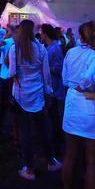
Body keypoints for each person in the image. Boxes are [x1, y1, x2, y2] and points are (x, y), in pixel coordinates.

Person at [61, 21, 95, 189]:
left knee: (70, 156)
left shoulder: (71, 52)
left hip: (72, 103)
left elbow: (64, 79)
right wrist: (84, 86)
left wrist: (76, 86)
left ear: (81, 36)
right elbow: (88, 79)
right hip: (88, 104)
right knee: (92, 162)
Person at [8, 20, 60, 181]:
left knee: (25, 132)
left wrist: (17, 77)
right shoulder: (41, 49)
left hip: (21, 94)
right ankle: (51, 161)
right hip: (38, 95)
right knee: (43, 128)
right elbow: (46, 75)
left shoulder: (14, 48)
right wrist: (48, 93)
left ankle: (29, 168)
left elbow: (11, 73)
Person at [40, 24, 65, 154]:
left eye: (41, 33)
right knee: (52, 117)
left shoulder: (55, 49)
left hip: (54, 89)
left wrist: (42, 67)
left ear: (45, 34)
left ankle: (56, 145)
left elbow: (58, 69)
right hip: (50, 88)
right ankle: (55, 142)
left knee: (54, 117)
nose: (41, 36)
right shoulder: (49, 48)